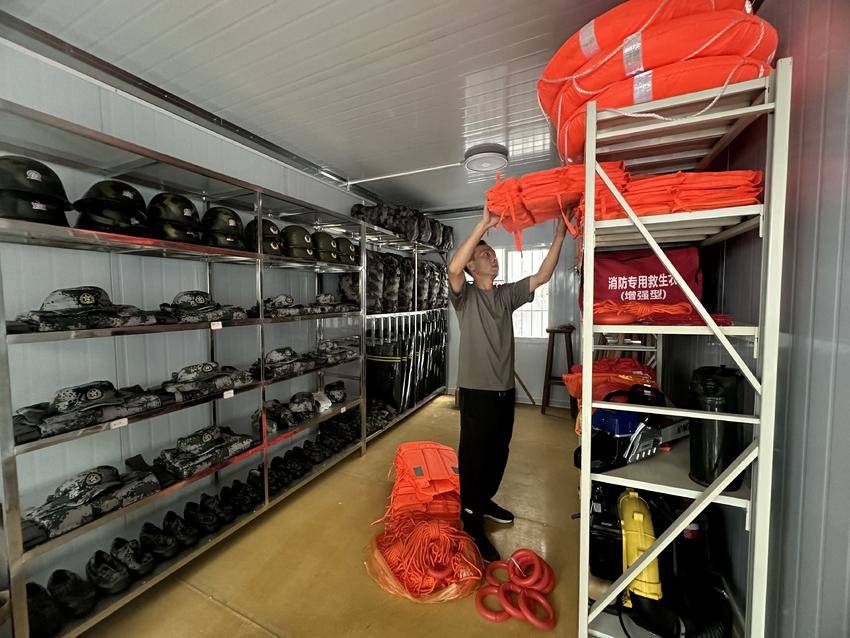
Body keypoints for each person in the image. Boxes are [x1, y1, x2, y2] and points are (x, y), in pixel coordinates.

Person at [448, 207, 567, 561]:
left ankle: (483, 501)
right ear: (472, 266)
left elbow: (542, 276)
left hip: (504, 392)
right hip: (476, 392)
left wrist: (560, 234)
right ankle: (471, 521)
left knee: (499, 453)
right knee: (474, 457)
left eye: (493, 254)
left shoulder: (505, 295)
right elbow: (453, 269)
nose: (493, 258)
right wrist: (483, 224)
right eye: (485, 255)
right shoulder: (465, 296)